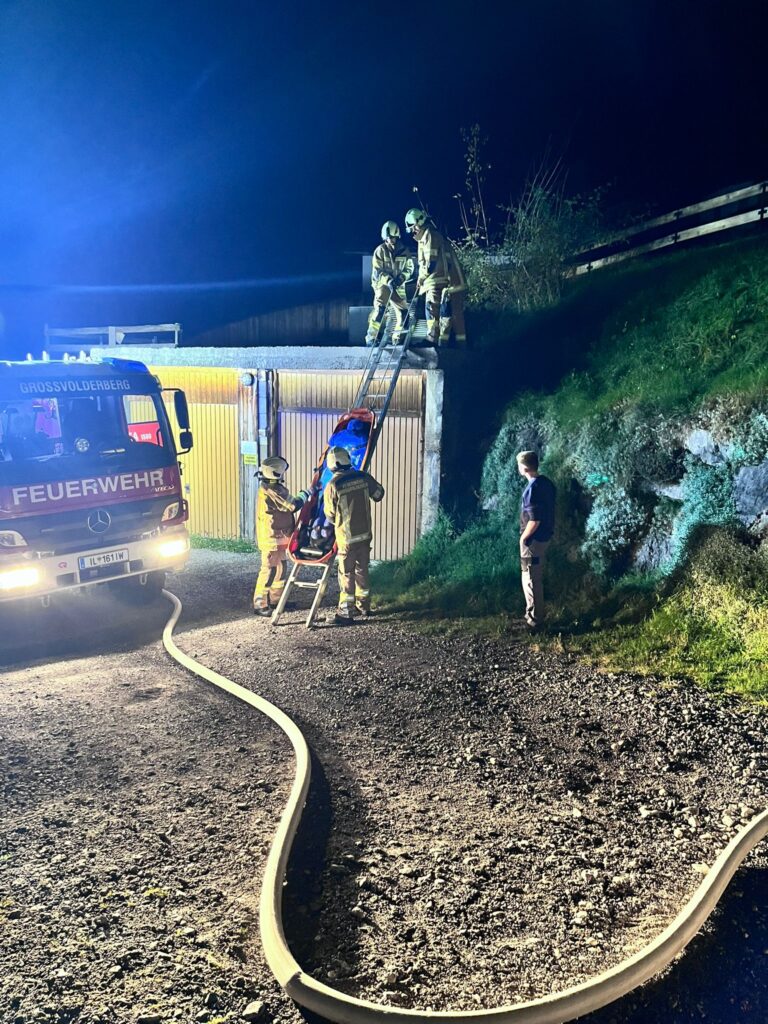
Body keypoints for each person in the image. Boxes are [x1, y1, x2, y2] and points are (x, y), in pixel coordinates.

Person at [323, 446, 384, 623]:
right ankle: (364, 606)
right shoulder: (363, 477)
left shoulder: (333, 485)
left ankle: (345, 612)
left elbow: (330, 515)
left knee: (346, 573)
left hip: (347, 538)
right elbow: (379, 494)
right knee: (362, 569)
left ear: (332, 465)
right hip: (365, 535)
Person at [253, 456, 309, 616]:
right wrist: (306, 494)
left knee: (281, 568)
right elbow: (292, 505)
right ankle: (260, 604)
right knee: (269, 570)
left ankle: (276, 600)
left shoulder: (272, 487)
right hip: (271, 538)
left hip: (279, 536)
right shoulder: (272, 490)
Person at [405, 208, 466, 346]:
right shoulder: (431, 236)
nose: (412, 232)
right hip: (446, 282)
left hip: (437, 280)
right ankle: (449, 344)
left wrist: (422, 278)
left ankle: (432, 339)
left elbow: (430, 262)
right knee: (448, 314)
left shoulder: (429, 235)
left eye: (413, 228)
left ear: (418, 224)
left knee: (432, 308)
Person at [517, 450, 556, 631]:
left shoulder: (532, 490)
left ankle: (535, 620)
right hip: (545, 536)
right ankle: (533, 615)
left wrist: (524, 538)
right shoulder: (546, 483)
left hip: (532, 541)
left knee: (530, 577)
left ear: (524, 468)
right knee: (535, 576)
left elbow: (535, 519)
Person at [365, 221, 414, 346]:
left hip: (398, 287)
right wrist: (389, 281)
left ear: (397, 236)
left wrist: (401, 278)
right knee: (380, 309)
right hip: (383, 286)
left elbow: (409, 268)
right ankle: (371, 338)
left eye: (392, 237)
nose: (390, 240)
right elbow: (378, 272)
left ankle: (397, 339)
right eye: (387, 238)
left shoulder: (404, 251)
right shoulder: (380, 251)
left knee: (403, 313)